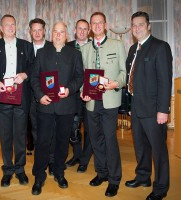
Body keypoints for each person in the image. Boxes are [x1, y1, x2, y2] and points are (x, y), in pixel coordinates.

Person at [31, 21, 84, 195]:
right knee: (42, 142)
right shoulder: (41, 53)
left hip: (66, 107)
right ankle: (39, 176)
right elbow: (34, 78)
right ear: (51, 34)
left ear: (67, 35)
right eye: (55, 32)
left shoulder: (75, 54)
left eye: (62, 32)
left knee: (62, 142)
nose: (58, 35)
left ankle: (59, 173)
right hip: (45, 106)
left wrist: (69, 90)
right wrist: (40, 96)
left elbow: (79, 77)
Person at [125, 11, 172, 200]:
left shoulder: (160, 47)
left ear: (148, 26)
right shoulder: (132, 49)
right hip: (136, 108)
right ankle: (143, 177)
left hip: (154, 111)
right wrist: (130, 105)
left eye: (140, 24)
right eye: (134, 25)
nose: (137, 28)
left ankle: (161, 187)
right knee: (140, 147)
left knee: (158, 150)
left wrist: (163, 110)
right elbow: (131, 80)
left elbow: (165, 81)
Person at [80, 12, 126, 197]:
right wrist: (84, 91)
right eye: (94, 23)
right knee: (95, 139)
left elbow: (124, 71)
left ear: (105, 25)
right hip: (91, 102)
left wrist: (117, 83)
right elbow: (83, 76)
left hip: (109, 100)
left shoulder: (117, 44)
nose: (97, 25)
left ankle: (114, 179)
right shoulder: (84, 50)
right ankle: (102, 173)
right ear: (90, 27)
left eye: (100, 22)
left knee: (109, 139)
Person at [0, 14, 34, 188]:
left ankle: (20, 169)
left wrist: (24, 74)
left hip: (21, 97)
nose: (10, 27)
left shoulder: (26, 46)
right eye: (6, 25)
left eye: (13, 24)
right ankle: (8, 170)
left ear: (16, 26)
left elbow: (33, 66)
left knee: (21, 136)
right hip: (2, 97)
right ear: (1, 28)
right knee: (6, 137)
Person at [65, 19, 93, 173]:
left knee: (90, 128)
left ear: (88, 31)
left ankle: (85, 159)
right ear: (75, 30)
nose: (82, 31)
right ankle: (77, 155)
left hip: (90, 94)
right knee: (73, 128)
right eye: (79, 28)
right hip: (72, 95)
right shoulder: (67, 46)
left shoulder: (94, 46)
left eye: (85, 29)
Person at [28, 18, 55, 175]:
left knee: (51, 130)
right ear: (30, 32)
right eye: (34, 30)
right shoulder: (25, 48)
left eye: (40, 30)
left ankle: (51, 161)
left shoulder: (53, 47)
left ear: (44, 31)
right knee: (36, 132)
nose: (37, 33)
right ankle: (40, 162)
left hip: (50, 97)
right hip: (32, 98)